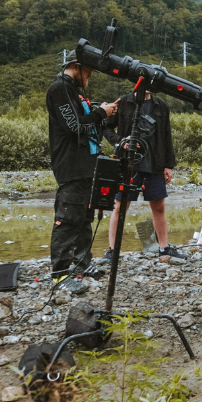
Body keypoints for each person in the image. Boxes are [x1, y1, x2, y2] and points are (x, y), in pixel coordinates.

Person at [46, 50, 118, 282]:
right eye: (88, 70)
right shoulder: (59, 88)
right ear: (76, 66)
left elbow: (85, 124)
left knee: (85, 219)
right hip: (71, 167)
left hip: (88, 165)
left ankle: (82, 266)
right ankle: (60, 274)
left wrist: (101, 112)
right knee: (68, 220)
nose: (90, 75)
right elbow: (73, 127)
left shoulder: (75, 91)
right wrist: (100, 112)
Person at [103, 89, 185, 260]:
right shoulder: (123, 102)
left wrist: (169, 166)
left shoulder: (160, 106)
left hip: (155, 163)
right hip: (128, 163)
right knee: (120, 206)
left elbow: (166, 135)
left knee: (158, 206)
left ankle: (164, 248)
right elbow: (107, 128)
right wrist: (120, 141)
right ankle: (112, 250)